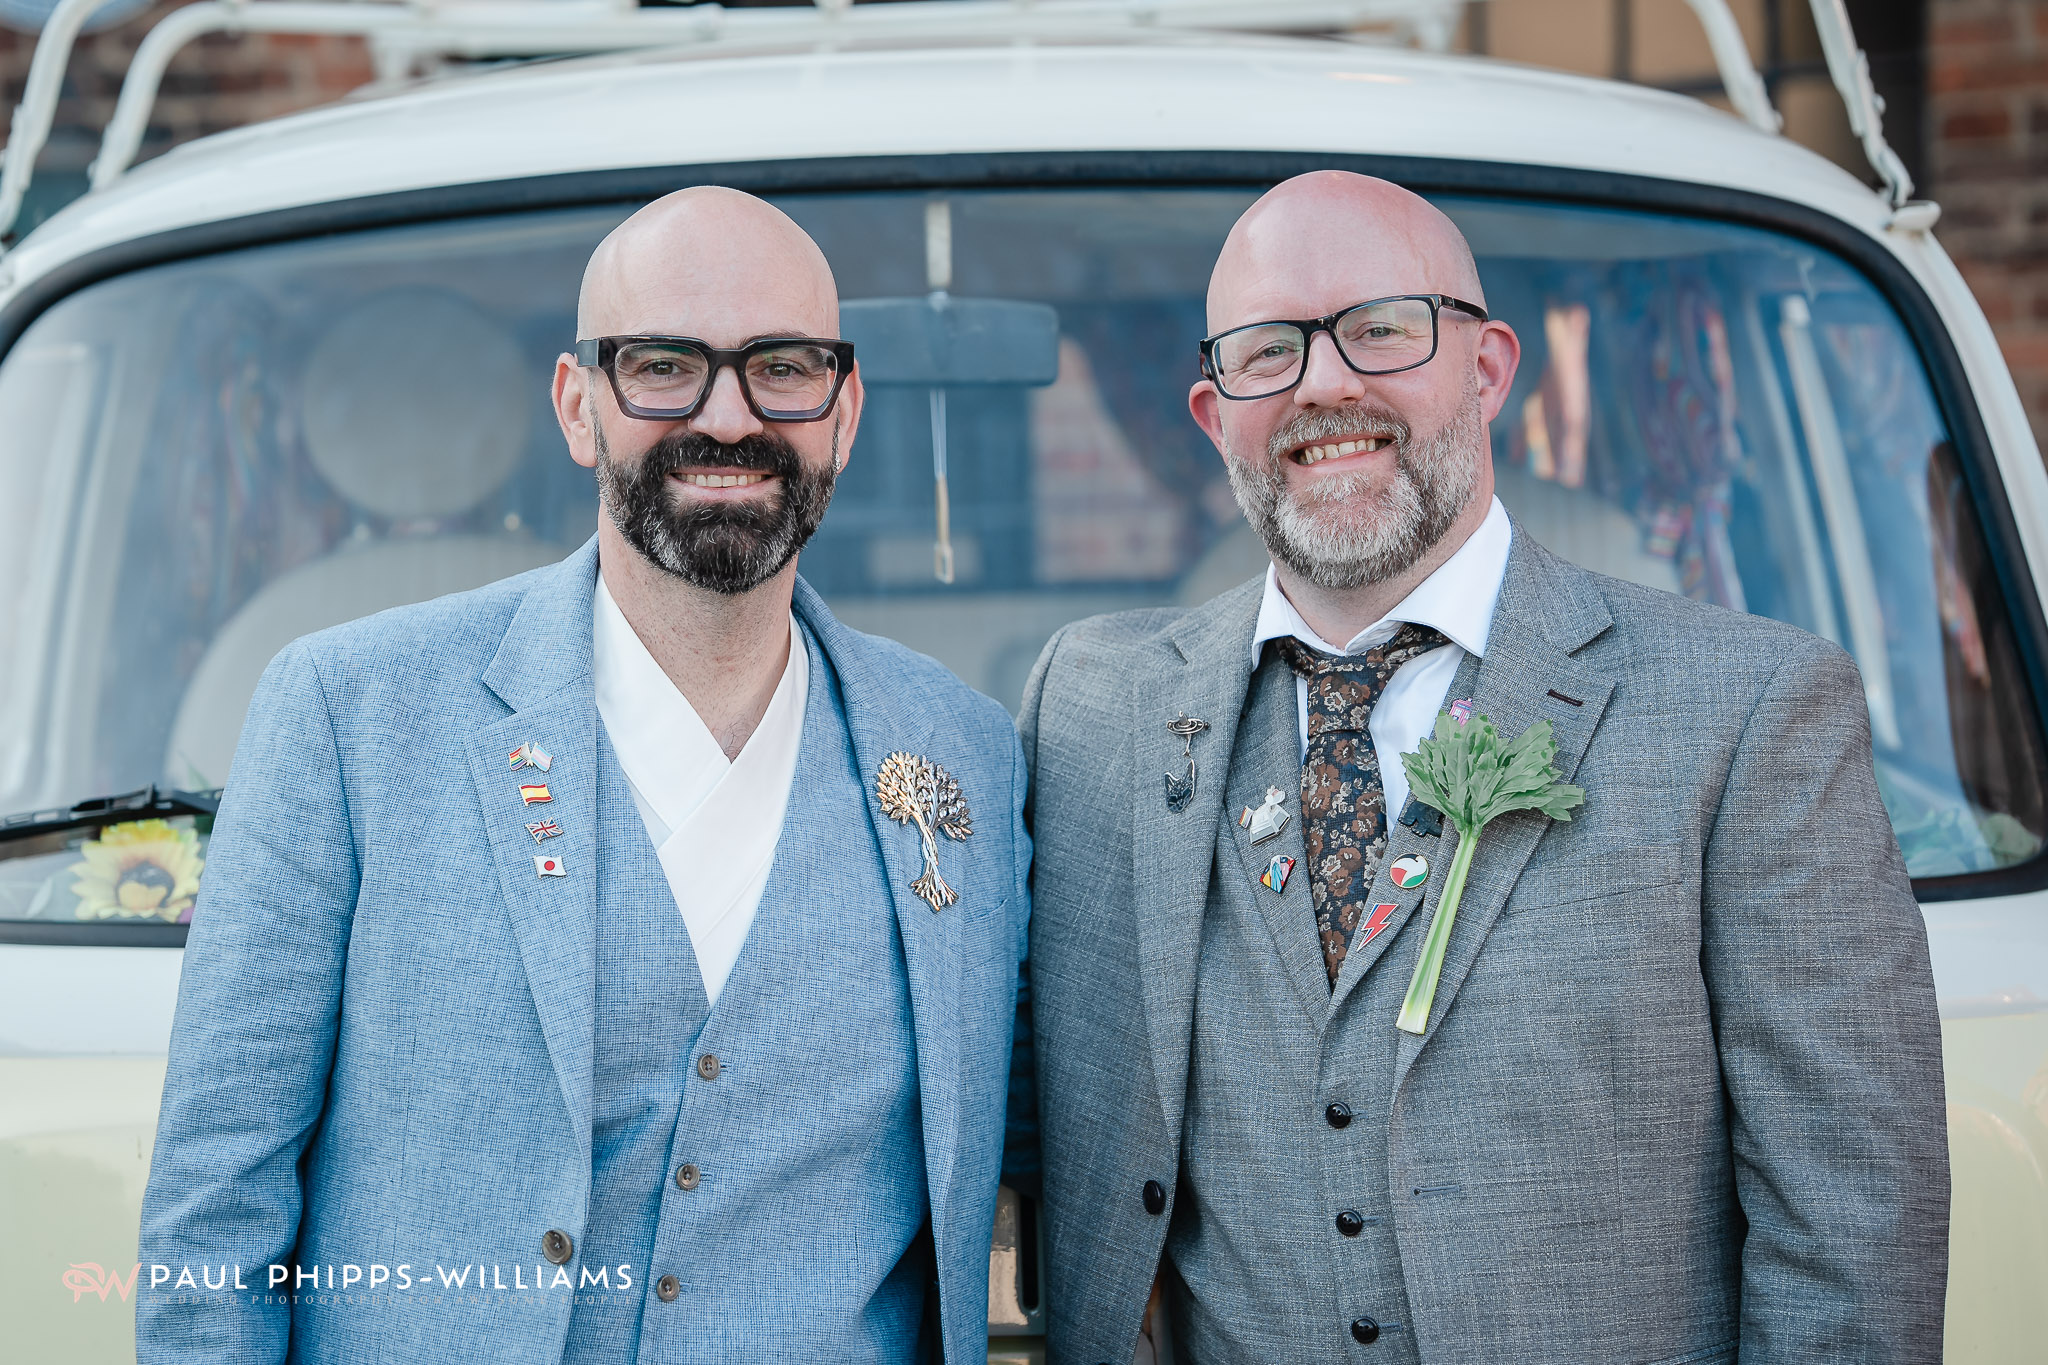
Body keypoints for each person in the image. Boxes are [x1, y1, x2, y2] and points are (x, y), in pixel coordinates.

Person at [1021, 171, 1947, 1364]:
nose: (1323, 382)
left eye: (1381, 328)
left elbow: (1849, 1235)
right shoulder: (1090, 708)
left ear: (1489, 366)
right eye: (1266, 353)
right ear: (1213, 416)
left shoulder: (1749, 713)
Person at [137, 187, 1030, 1365]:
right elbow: (216, 1209)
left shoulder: (963, 750)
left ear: (845, 410)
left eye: (784, 366)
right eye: (662, 364)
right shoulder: (348, 714)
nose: (728, 416)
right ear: (577, 404)